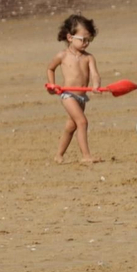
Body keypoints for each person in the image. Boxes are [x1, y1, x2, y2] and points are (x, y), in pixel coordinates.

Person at [45, 13, 101, 163]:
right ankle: (86, 156)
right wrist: (52, 84)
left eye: (90, 40)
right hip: (68, 95)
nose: (86, 43)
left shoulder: (89, 57)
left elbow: (95, 75)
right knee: (82, 122)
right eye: (83, 39)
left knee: (71, 126)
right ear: (70, 38)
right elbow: (50, 69)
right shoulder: (62, 56)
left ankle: (58, 155)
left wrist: (96, 85)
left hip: (82, 97)